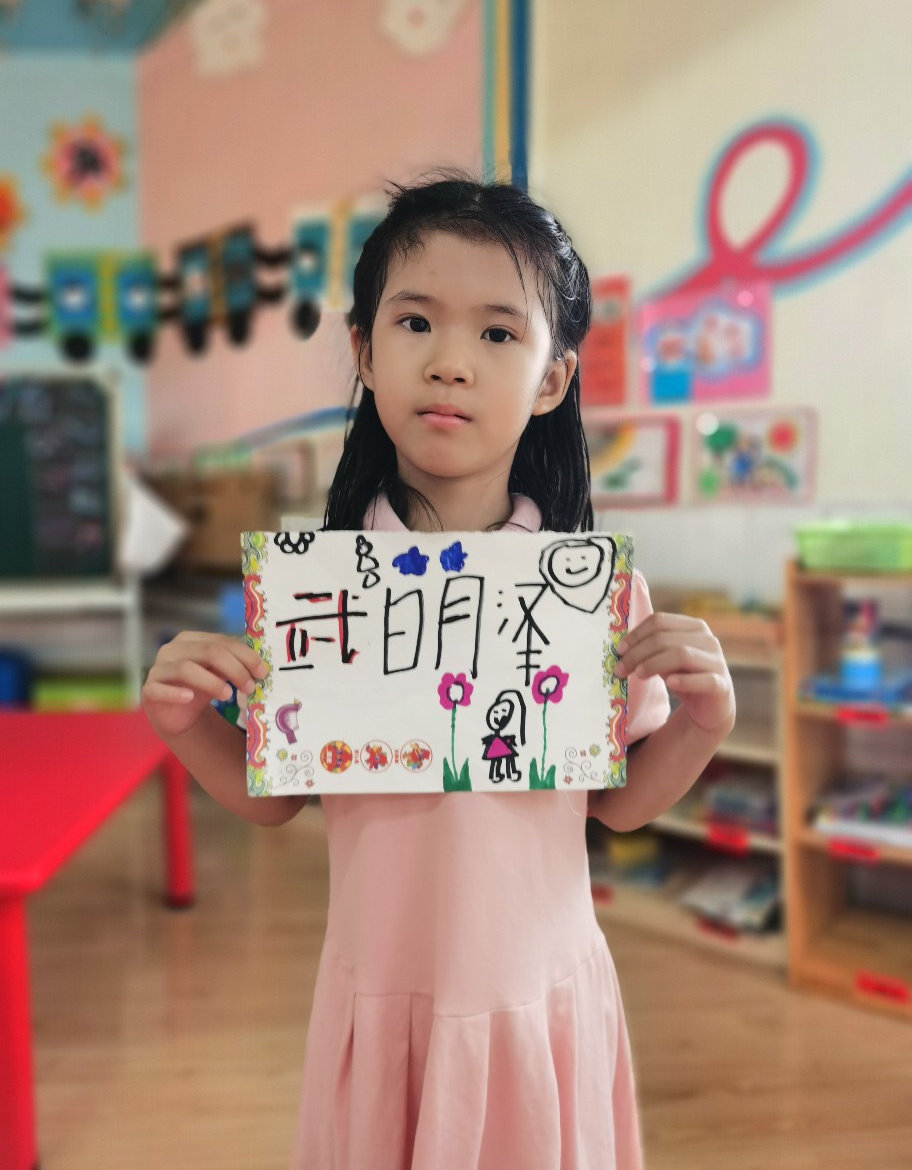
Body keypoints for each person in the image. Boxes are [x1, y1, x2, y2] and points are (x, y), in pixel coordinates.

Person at [142, 174, 736, 1170]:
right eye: (416, 322)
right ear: (365, 351)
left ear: (552, 380)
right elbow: (276, 800)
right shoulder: (318, 587)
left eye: (499, 333)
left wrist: (700, 725)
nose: (452, 362)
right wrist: (185, 722)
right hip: (384, 994)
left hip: (535, 993)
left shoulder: (586, 593)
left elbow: (620, 805)